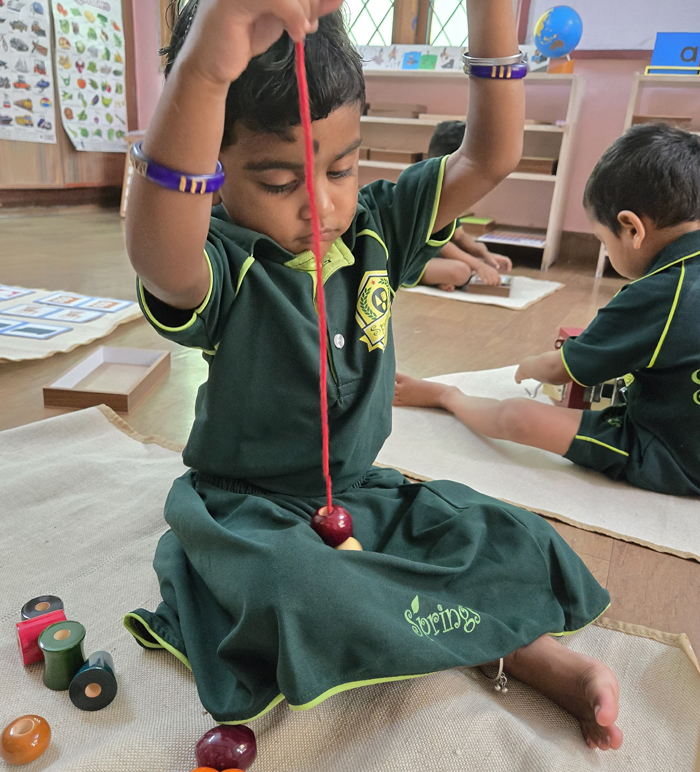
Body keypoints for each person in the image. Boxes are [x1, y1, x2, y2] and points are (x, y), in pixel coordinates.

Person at [123, 0, 622, 751]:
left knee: (508, 535)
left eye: (342, 168)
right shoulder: (223, 262)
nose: (322, 205)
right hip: (250, 514)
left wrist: (490, 14)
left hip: (362, 496)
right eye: (280, 180)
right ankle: (496, 644)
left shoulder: (378, 228)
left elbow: (489, 157)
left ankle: (524, 650)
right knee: (300, 592)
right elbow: (158, 252)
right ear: (215, 175)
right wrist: (202, 71)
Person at [395, 123, 700, 498]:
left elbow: (561, 370)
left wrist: (530, 365)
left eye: (602, 241)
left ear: (632, 229)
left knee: (518, 416)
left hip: (675, 457)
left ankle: (447, 396)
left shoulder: (658, 292)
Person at [413, 120, 513, 291]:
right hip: (408, 258)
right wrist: (478, 265)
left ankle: (440, 276)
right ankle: (432, 278)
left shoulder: (450, 188)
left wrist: (485, 255)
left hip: (430, 253)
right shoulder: (426, 189)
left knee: (475, 254)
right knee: (461, 271)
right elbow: (441, 245)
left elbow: (459, 236)